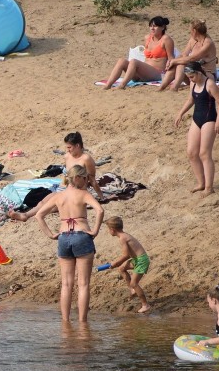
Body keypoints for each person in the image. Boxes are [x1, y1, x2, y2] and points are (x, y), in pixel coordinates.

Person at [21, 165, 104, 322]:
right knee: (83, 284)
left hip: (64, 237)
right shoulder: (83, 194)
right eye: (85, 178)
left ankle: (65, 323)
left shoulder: (58, 196)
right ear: (78, 178)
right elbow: (100, 210)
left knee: (66, 284)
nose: (87, 181)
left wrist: (51, 234)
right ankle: (82, 323)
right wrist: (95, 230)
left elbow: (39, 215)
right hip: (81, 235)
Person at [10, 132, 104, 221]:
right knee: (45, 200)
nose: (67, 150)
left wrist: (101, 196)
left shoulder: (86, 159)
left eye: (69, 147)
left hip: (78, 190)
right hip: (65, 187)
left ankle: (27, 216)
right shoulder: (67, 156)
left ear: (78, 146)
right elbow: (66, 174)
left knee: (54, 206)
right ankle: (25, 215)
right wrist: (61, 187)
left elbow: (92, 179)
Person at [174, 61, 219, 197]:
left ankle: (209, 187)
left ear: (198, 72)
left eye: (191, 77)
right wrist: (180, 113)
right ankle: (201, 183)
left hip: (209, 119)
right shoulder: (193, 83)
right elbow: (191, 100)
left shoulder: (210, 84)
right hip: (196, 119)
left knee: (204, 153)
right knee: (191, 152)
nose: (190, 80)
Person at [103, 16, 174, 89]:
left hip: (157, 74)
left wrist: (169, 69)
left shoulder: (166, 39)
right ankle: (108, 85)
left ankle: (122, 85)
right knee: (121, 61)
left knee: (134, 61)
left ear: (162, 27)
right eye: (151, 26)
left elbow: (171, 58)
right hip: (142, 74)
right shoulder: (147, 38)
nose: (152, 28)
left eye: (155, 26)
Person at [105, 217, 150, 313]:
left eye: (108, 229)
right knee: (122, 269)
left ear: (112, 230)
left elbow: (126, 255)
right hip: (137, 259)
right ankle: (132, 290)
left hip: (141, 261)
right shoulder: (124, 236)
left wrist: (116, 263)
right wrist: (119, 264)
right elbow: (129, 254)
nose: (108, 231)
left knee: (134, 283)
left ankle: (145, 305)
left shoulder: (122, 238)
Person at [159, 20, 218, 91]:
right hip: (193, 73)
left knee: (181, 64)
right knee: (177, 64)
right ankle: (161, 87)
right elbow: (184, 54)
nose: (189, 32)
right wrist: (171, 61)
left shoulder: (208, 43)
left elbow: (193, 58)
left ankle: (174, 87)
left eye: (190, 31)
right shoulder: (193, 40)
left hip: (207, 74)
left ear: (194, 31)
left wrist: (175, 61)